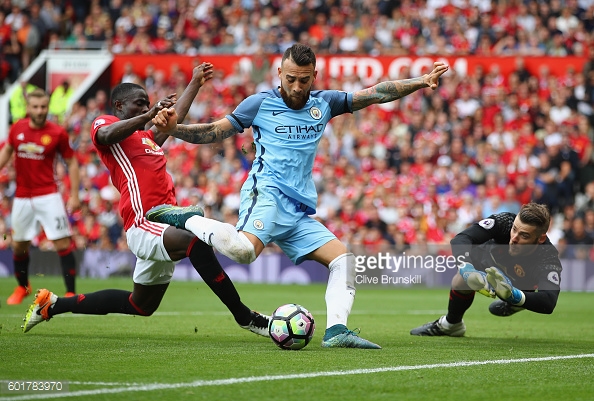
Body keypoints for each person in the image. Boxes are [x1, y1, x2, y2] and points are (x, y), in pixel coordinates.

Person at [145, 43, 449, 348]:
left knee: (345, 261)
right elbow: (214, 131)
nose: (296, 86)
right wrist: (176, 129)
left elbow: (376, 93)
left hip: (297, 208)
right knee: (244, 253)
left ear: (314, 76)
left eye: (304, 80)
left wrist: (421, 81)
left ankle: (337, 332)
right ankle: (191, 219)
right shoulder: (259, 104)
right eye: (290, 78)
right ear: (279, 73)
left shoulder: (325, 103)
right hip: (266, 193)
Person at [22, 63, 269, 337]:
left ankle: (52, 304)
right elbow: (105, 135)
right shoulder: (105, 124)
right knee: (193, 240)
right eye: (139, 104)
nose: (145, 109)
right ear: (118, 105)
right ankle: (244, 316)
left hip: (163, 223)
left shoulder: (148, 139)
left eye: (147, 105)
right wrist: (148, 115)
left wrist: (195, 83)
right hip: (144, 222)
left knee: (140, 305)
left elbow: (174, 117)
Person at [410, 203, 563, 337]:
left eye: (524, 235)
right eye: (514, 229)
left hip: (519, 285)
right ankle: (451, 325)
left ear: (540, 239)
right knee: (460, 279)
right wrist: (467, 269)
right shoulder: (504, 221)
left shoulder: (548, 257)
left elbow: (548, 301)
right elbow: (461, 239)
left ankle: (515, 302)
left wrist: (516, 296)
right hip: (485, 262)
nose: (514, 238)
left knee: (516, 299)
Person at [1, 88, 80, 305]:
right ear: (28, 108)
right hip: (22, 197)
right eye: (35, 107)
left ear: (48, 107)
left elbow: (72, 163)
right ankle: (23, 287)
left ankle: (71, 292)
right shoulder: (17, 128)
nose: (39, 110)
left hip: (48, 195)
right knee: (19, 245)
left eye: (43, 106)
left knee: (62, 243)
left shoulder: (57, 132)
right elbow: (7, 150)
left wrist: (74, 194)